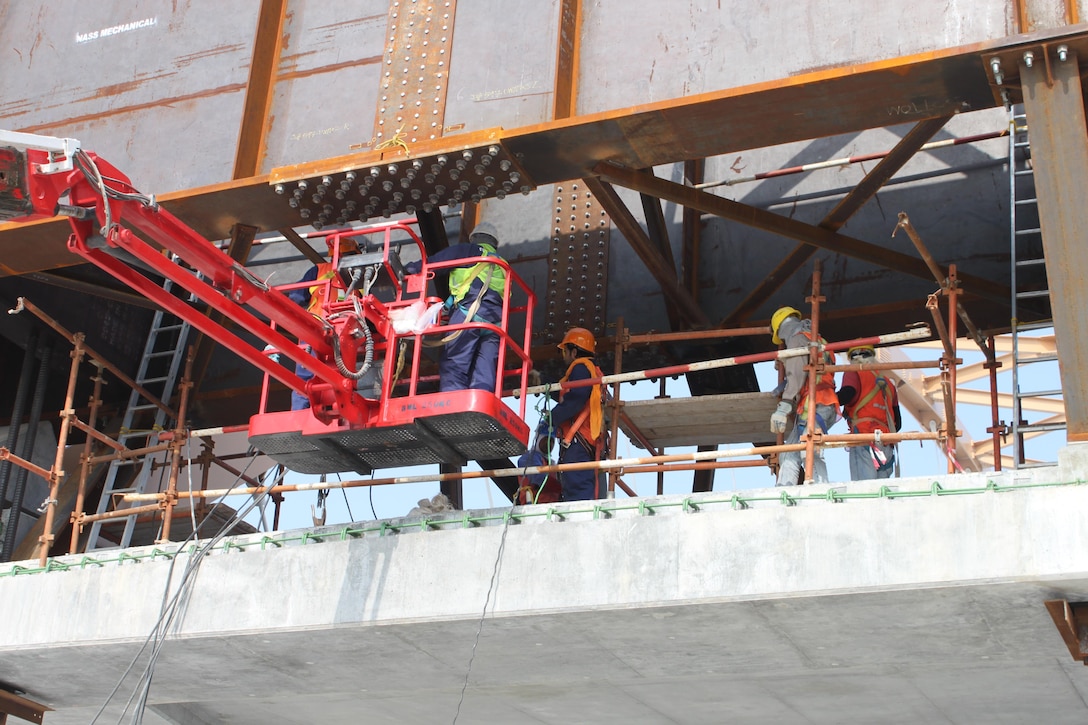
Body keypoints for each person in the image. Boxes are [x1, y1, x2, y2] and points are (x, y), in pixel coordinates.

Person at [404, 221, 507, 392]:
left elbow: (438, 262)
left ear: (474, 238)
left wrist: (410, 269)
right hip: (494, 325)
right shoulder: (502, 265)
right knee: (484, 369)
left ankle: (453, 406)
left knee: (454, 363)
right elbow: (479, 288)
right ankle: (479, 410)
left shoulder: (470, 251)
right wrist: (448, 305)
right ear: (495, 243)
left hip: (469, 315)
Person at [286, 236, 361, 410]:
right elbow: (296, 298)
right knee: (318, 375)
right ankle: (313, 412)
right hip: (331, 331)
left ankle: (304, 413)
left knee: (310, 376)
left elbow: (296, 297)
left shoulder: (320, 271)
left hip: (327, 331)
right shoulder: (360, 272)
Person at [769, 306, 839, 486]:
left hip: (815, 404)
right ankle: (784, 489)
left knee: (809, 450)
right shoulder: (816, 339)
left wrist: (783, 407)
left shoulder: (796, 339)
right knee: (790, 452)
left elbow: (797, 376)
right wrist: (786, 360)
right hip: (821, 404)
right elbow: (808, 370)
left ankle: (820, 490)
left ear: (781, 329)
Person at [537, 327, 607, 501]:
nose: (564, 356)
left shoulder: (581, 368)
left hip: (578, 441)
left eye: (565, 352)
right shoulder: (592, 370)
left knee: (577, 486)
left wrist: (551, 419)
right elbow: (574, 396)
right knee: (582, 485)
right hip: (587, 439)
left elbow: (575, 399)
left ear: (574, 352)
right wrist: (543, 382)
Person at [837, 344, 902, 480]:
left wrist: (825, 398)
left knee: (864, 489)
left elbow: (847, 394)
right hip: (885, 442)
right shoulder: (888, 383)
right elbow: (898, 423)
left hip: (863, 437)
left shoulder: (853, 372)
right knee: (881, 489)